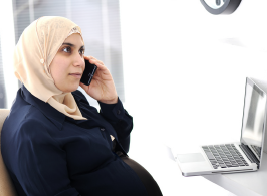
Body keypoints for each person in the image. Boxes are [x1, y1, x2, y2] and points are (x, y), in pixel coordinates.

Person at [1, 16, 162, 196]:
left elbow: (118, 150)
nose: (80, 61)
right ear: (39, 55)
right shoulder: (31, 132)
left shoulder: (70, 98)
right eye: (66, 49)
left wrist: (109, 102)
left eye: (81, 51)